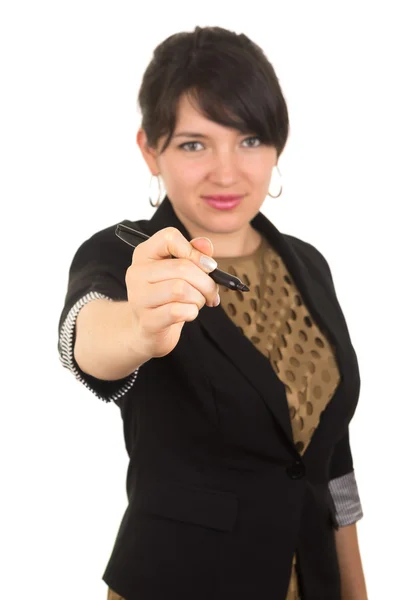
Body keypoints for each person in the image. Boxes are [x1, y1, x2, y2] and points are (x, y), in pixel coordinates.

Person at [58, 26, 367, 600]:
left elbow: (331, 462)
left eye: (249, 140)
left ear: (278, 144)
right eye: (194, 144)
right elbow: (85, 336)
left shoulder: (309, 265)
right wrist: (138, 328)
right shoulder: (121, 254)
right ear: (150, 149)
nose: (227, 173)